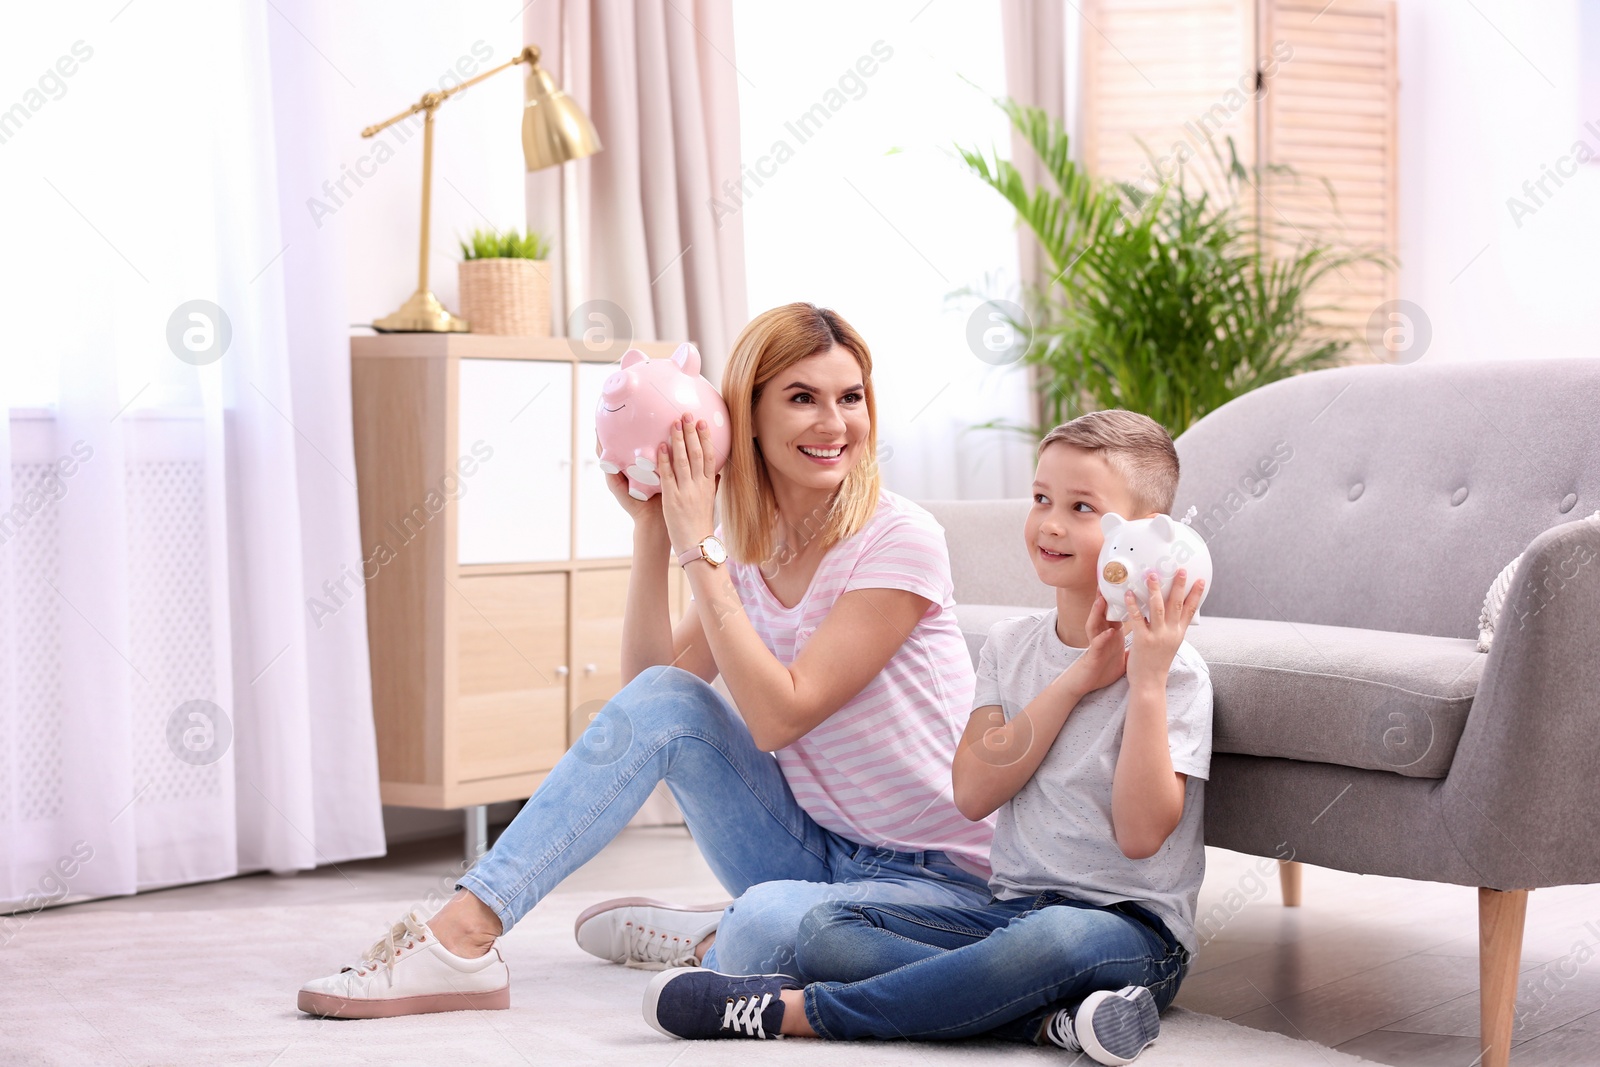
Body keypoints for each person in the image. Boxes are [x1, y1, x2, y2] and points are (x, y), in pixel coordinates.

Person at [297, 303, 996, 1019]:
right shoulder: (749, 552)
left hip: (939, 875)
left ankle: (717, 933)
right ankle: (462, 935)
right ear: (748, 416)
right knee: (669, 709)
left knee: (760, 930)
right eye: (802, 398)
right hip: (816, 847)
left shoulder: (900, 540)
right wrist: (655, 533)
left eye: (850, 398)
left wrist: (701, 548)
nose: (834, 423)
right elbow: (652, 700)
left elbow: (780, 715)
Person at [642, 410, 1213, 1066]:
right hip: (1009, 912)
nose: (1050, 523)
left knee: (1053, 938)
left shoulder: (1178, 675)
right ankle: (1049, 1022)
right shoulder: (1010, 647)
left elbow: (1141, 835)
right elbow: (973, 792)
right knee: (829, 931)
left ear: (1144, 536)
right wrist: (1076, 681)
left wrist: (1143, 684)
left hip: (1129, 935)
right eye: (1040, 499)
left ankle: (800, 1014)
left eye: (1081, 507)